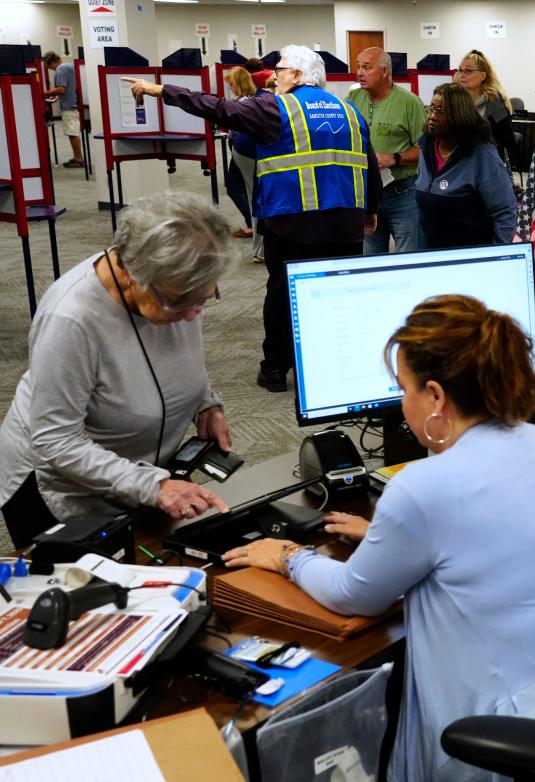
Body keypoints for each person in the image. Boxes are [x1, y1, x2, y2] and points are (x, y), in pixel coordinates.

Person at [222, 294, 535, 782]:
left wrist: (288, 556)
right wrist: (394, 538)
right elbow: (496, 535)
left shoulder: (425, 488)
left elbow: (353, 596)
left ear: (435, 397)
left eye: (402, 388)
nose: (400, 400)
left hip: (521, 738)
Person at [122, 45, 381, 394]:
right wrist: (371, 210)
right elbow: (370, 164)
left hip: (293, 221)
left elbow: (219, 108)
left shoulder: (277, 107)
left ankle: (275, 369)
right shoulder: (350, 111)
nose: (275, 75)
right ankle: (333, 366)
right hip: (345, 222)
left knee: (282, 296)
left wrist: (163, 90)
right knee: (336, 295)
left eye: (282, 69)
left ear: (298, 76)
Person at [0, 193, 233, 548]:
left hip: (137, 476)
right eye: (180, 301)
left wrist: (205, 401)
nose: (190, 314)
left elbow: (177, 353)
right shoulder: (70, 319)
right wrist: (152, 485)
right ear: (131, 274)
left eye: (202, 298)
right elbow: (55, 440)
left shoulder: (175, 285)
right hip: (59, 490)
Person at [414, 83, 517, 249]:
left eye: (441, 111)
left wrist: (497, 256)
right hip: (431, 256)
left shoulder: (481, 153)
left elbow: (504, 212)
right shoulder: (427, 147)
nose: (432, 116)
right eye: (431, 108)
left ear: (458, 115)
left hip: (471, 259)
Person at [350, 47, 427, 254]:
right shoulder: (354, 99)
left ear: (384, 71)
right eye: (358, 67)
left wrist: (393, 158)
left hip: (403, 194)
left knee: (409, 259)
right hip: (367, 195)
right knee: (371, 259)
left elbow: (426, 151)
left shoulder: (409, 102)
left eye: (366, 67)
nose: (359, 73)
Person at [222, 66, 264, 262]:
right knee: (245, 193)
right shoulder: (245, 102)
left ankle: (260, 247)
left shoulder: (247, 103)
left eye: (231, 84)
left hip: (246, 153)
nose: (230, 87)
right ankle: (258, 245)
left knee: (253, 197)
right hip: (241, 152)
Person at [453, 49, 519, 164]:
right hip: (459, 160)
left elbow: (506, 139)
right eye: (460, 70)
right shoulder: (455, 100)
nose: (462, 74)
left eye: (468, 71)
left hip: (487, 163)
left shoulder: (495, 103)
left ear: (482, 76)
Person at [41, 52, 85, 168]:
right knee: (73, 132)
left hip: (69, 106)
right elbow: (68, 87)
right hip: (74, 103)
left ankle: (79, 159)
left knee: (72, 133)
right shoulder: (69, 66)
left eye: (48, 66)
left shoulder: (60, 69)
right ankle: (77, 157)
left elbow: (61, 89)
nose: (49, 69)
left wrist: (44, 93)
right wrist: (55, 96)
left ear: (51, 62)